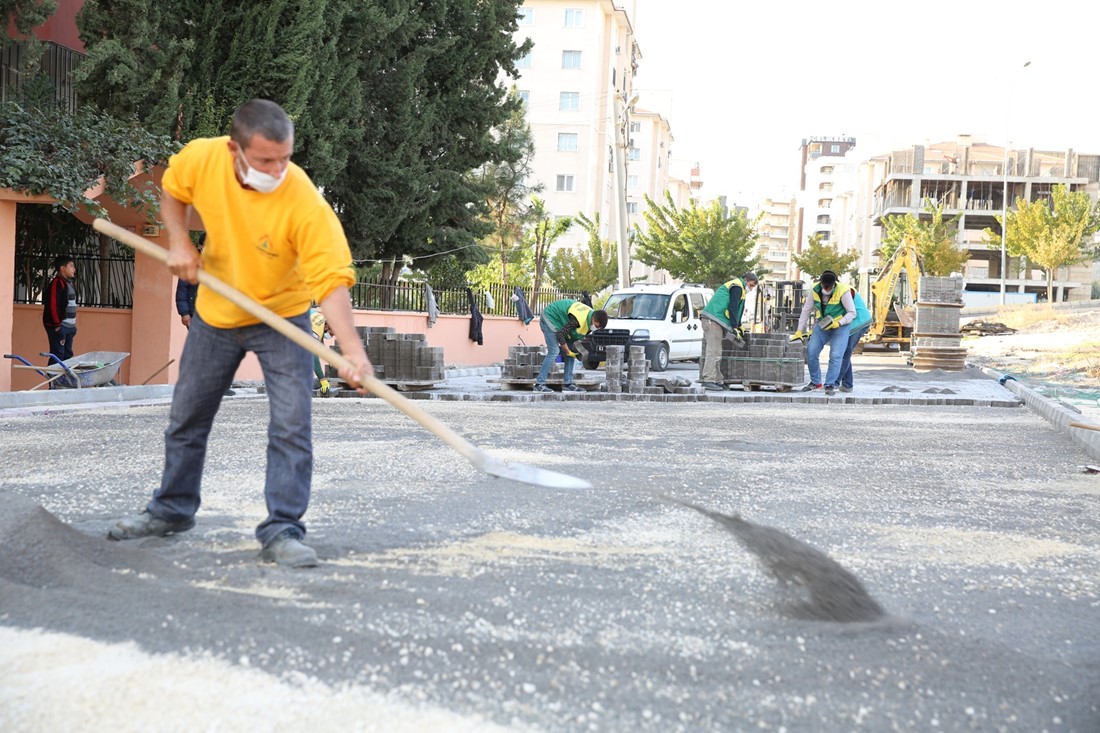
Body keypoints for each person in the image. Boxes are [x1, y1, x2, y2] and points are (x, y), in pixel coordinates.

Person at [107, 99, 371, 568]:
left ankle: (283, 528)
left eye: (285, 158)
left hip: (282, 317)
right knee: (187, 417)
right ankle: (171, 509)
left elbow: (331, 281)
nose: (278, 169)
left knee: (292, 424)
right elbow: (172, 192)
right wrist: (180, 241)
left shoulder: (303, 200)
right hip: (216, 314)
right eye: (266, 160)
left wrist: (352, 352)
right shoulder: (203, 158)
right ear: (235, 149)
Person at [791, 270, 856, 396]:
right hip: (823, 324)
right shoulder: (814, 290)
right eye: (825, 286)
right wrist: (799, 330)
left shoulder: (843, 291)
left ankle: (830, 384)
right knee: (811, 351)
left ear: (834, 285)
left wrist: (839, 323)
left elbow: (852, 313)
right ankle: (816, 382)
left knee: (836, 355)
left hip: (840, 326)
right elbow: (806, 310)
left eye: (829, 287)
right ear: (821, 283)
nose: (827, 289)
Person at [697, 271, 758, 391]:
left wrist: (739, 325)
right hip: (712, 319)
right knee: (713, 351)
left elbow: (737, 309)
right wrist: (735, 327)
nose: (751, 289)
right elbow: (732, 307)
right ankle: (708, 380)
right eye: (751, 285)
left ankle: (717, 380)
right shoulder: (737, 286)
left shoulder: (739, 287)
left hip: (716, 320)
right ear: (745, 280)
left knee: (717, 351)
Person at [534, 298, 608, 393]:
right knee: (554, 351)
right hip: (550, 317)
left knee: (571, 352)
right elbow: (560, 335)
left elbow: (575, 336)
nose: (596, 329)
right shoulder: (577, 320)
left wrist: (574, 351)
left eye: (598, 328)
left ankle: (568, 384)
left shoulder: (589, 321)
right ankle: (539, 384)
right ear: (593, 318)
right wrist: (567, 350)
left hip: (563, 321)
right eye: (596, 326)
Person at [42, 254, 77, 365]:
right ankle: (54, 381)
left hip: (69, 327)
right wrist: (57, 325)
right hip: (59, 327)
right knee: (58, 355)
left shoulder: (68, 284)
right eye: (71, 266)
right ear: (62, 268)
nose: (74, 269)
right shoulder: (57, 283)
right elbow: (53, 305)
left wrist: (73, 326)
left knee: (67, 356)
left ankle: (64, 382)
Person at [837, 290, 872, 393]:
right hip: (854, 322)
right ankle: (847, 385)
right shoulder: (836, 291)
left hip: (859, 322)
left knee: (845, 353)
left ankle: (833, 382)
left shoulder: (845, 291)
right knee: (845, 354)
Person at [309, 305, 332, 396]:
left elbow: (320, 342)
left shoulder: (321, 319)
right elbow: (314, 355)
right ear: (326, 327)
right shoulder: (317, 330)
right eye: (331, 334)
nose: (331, 336)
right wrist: (322, 379)